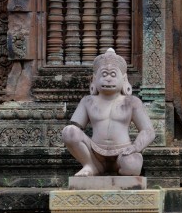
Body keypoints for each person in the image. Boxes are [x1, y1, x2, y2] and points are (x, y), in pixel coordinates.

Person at [62, 48, 155, 177]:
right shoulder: (88, 101)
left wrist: (135, 147)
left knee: (132, 167)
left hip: (123, 152)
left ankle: (119, 166)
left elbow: (148, 131)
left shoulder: (132, 102)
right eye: (104, 74)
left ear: (124, 79)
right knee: (69, 131)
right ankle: (90, 165)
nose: (108, 79)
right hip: (94, 153)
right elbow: (75, 128)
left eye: (113, 75)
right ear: (94, 79)